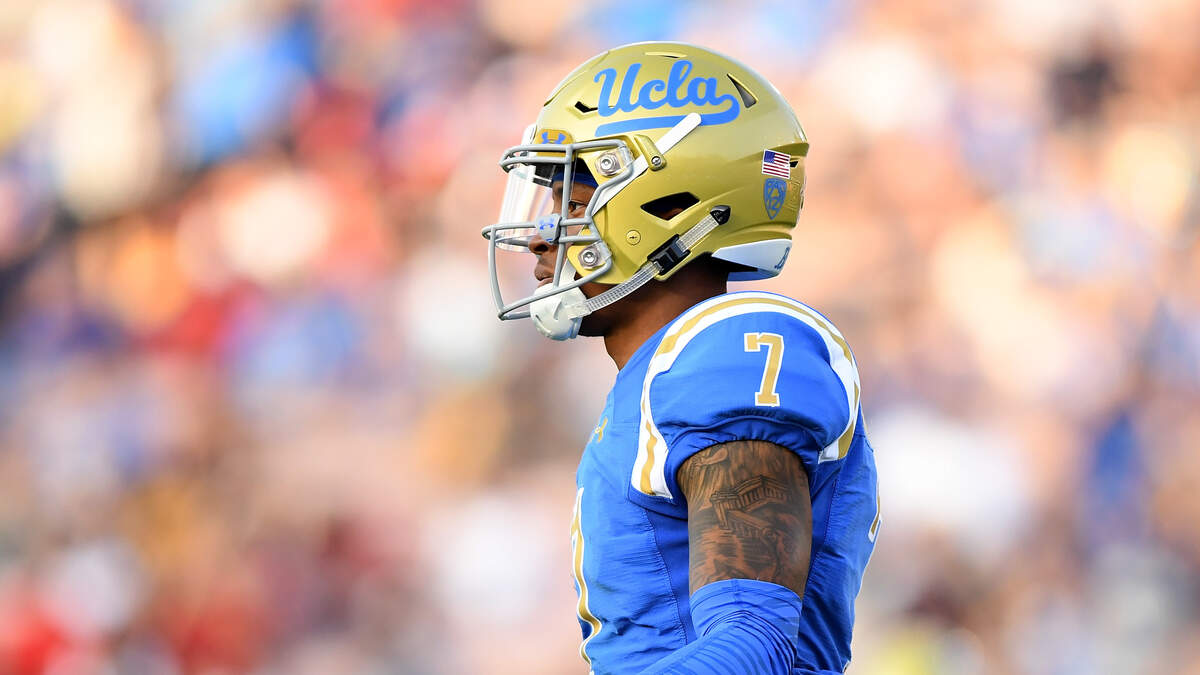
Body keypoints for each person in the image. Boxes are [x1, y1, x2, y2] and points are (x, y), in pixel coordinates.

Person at [482, 42, 879, 675]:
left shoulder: (727, 351)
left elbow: (753, 644)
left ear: (671, 208)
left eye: (574, 205)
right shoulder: (658, 372)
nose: (539, 235)